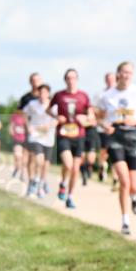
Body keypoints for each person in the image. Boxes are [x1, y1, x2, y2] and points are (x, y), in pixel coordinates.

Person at [96, 61, 136, 234]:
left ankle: (135, 196)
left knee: (134, 185)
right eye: (124, 72)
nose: (127, 75)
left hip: (135, 136)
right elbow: (98, 116)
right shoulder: (107, 95)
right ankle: (125, 221)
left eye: (130, 72)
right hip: (115, 136)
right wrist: (105, 125)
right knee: (124, 181)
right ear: (118, 74)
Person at [49, 68, 91, 209]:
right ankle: (63, 183)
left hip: (79, 135)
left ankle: (70, 196)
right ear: (65, 80)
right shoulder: (59, 95)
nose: (71, 80)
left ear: (77, 79)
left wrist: (85, 118)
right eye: (68, 78)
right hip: (63, 135)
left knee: (75, 169)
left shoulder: (83, 96)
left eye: (73, 78)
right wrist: (57, 117)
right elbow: (48, 109)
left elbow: (91, 116)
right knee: (68, 164)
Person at [24, 85, 58, 198]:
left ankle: (41, 184)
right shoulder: (32, 104)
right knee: (39, 159)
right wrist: (28, 126)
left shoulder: (54, 105)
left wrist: (50, 125)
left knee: (46, 163)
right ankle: (34, 181)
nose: (42, 95)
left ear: (48, 94)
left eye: (45, 92)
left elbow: (58, 119)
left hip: (48, 137)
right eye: (41, 92)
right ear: (38, 93)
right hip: (35, 136)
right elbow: (24, 115)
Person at [9, 108, 28, 179]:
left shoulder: (27, 115)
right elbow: (11, 126)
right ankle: (17, 168)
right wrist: (12, 132)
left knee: (24, 158)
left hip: (26, 139)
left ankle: (22, 175)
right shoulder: (15, 116)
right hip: (17, 139)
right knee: (18, 156)